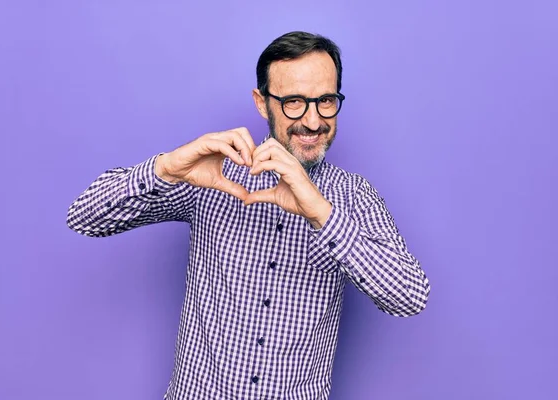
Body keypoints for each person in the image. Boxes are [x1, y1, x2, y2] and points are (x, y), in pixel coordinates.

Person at [67, 31, 430, 400]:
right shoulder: (212, 175)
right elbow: (84, 216)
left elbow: (410, 296)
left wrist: (321, 212)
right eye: (293, 102)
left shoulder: (352, 196)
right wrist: (168, 167)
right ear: (262, 103)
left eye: (325, 100)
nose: (313, 120)